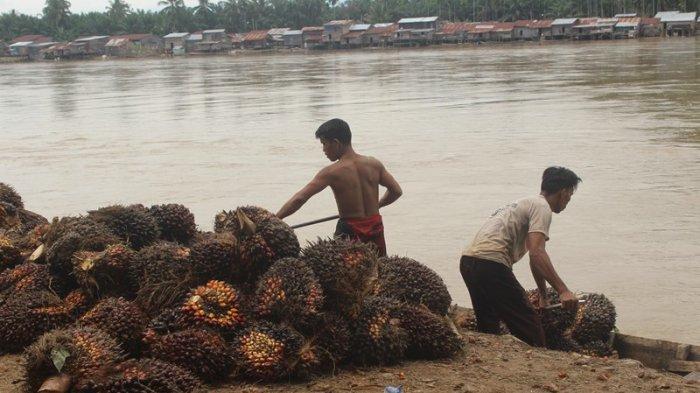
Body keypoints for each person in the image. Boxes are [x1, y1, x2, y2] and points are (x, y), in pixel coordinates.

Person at [460, 167, 582, 347]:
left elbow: (536, 258)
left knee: (488, 323)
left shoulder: (525, 203)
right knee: (530, 328)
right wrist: (563, 290)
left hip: (469, 262)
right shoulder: (542, 208)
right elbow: (537, 252)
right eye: (569, 197)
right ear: (563, 192)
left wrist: (543, 294)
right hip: (491, 264)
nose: (568, 202)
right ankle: (539, 366)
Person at [276, 118, 402, 256]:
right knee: (378, 270)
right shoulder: (374, 164)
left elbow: (300, 198)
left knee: (343, 273)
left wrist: (275, 218)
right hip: (375, 226)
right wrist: (378, 205)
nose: (323, 149)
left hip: (350, 231)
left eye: (324, 144)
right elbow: (396, 191)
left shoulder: (332, 172)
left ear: (336, 143)